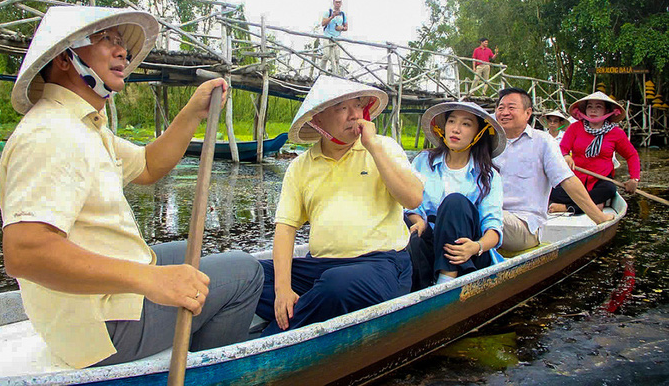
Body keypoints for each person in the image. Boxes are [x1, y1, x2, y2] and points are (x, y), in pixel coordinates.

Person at [0, 6, 264, 369]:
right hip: (98, 327)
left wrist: (190, 113)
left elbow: (148, 165)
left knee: (190, 252)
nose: (121, 51)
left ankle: (188, 332)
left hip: (97, 303)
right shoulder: (51, 134)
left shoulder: (84, 126)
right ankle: (207, 371)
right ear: (65, 58)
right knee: (248, 273)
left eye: (120, 42)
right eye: (106, 39)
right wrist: (149, 279)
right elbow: (25, 252)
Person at [255, 75, 423, 336]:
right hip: (320, 266)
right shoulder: (301, 166)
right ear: (318, 119)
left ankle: (275, 335)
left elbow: (413, 199)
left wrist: (373, 147)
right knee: (250, 276)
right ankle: (314, 308)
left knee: (336, 286)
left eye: (357, 106)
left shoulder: (384, 148)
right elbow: (286, 228)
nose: (354, 115)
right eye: (342, 108)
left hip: (383, 265)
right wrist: (283, 290)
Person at [493, 87, 614, 251]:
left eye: (511, 108)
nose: (504, 112)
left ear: (528, 113)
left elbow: (568, 180)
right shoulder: (487, 143)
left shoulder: (542, 141)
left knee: (480, 213)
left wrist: (599, 218)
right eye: (500, 108)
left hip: (523, 225)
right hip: (491, 216)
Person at [406, 102, 506, 290]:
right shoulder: (423, 162)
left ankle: (446, 281)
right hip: (431, 244)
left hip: (469, 253)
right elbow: (411, 205)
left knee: (455, 202)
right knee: (408, 226)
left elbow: (493, 227)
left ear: (479, 134)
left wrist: (476, 246)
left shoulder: (488, 176)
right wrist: (417, 220)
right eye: (452, 121)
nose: (456, 129)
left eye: (466, 124)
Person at [549, 92, 641, 214]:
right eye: (589, 106)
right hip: (576, 178)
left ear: (607, 110)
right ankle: (595, 205)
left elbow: (631, 155)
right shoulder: (575, 127)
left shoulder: (616, 133)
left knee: (609, 189)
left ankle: (567, 207)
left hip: (600, 180)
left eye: (598, 107)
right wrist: (566, 156)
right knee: (552, 192)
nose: (593, 110)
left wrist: (634, 179)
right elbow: (563, 147)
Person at [320, 0, 348, 75]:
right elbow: (323, 23)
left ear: (341, 3)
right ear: (333, 3)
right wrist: (332, 16)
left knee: (336, 57)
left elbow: (346, 27)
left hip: (337, 38)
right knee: (326, 55)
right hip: (327, 36)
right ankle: (322, 73)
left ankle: (335, 74)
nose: (338, 4)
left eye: (339, 2)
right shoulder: (328, 12)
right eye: (336, 2)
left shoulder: (343, 14)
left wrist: (341, 28)